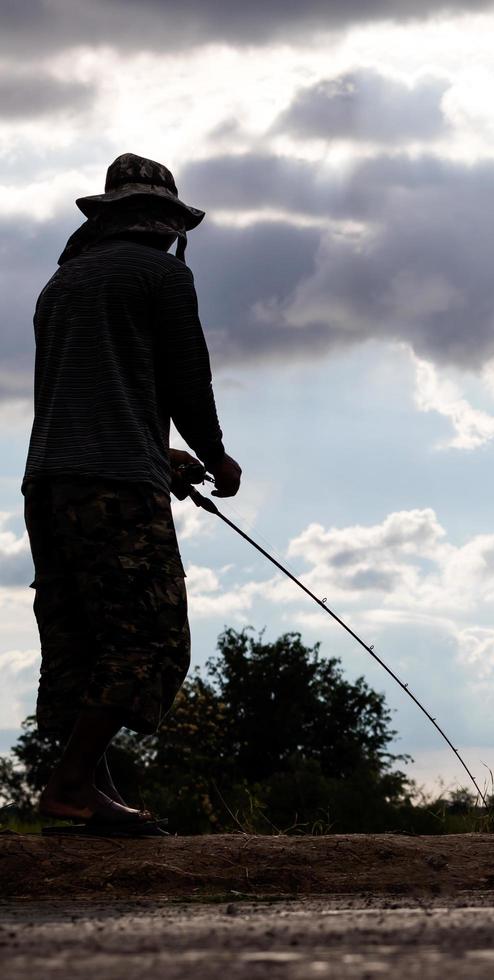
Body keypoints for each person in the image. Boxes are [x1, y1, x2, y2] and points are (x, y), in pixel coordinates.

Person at [24, 153, 242, 837]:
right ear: (168, 223)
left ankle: (86, 792)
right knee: (149, 640)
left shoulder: (62, 284)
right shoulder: (163, 275)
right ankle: (71, 783)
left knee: (79, 641)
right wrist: (214, 456)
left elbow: (96, 395)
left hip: (49, 483)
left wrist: (160, 454)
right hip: (116, 486)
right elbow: (186, 383)